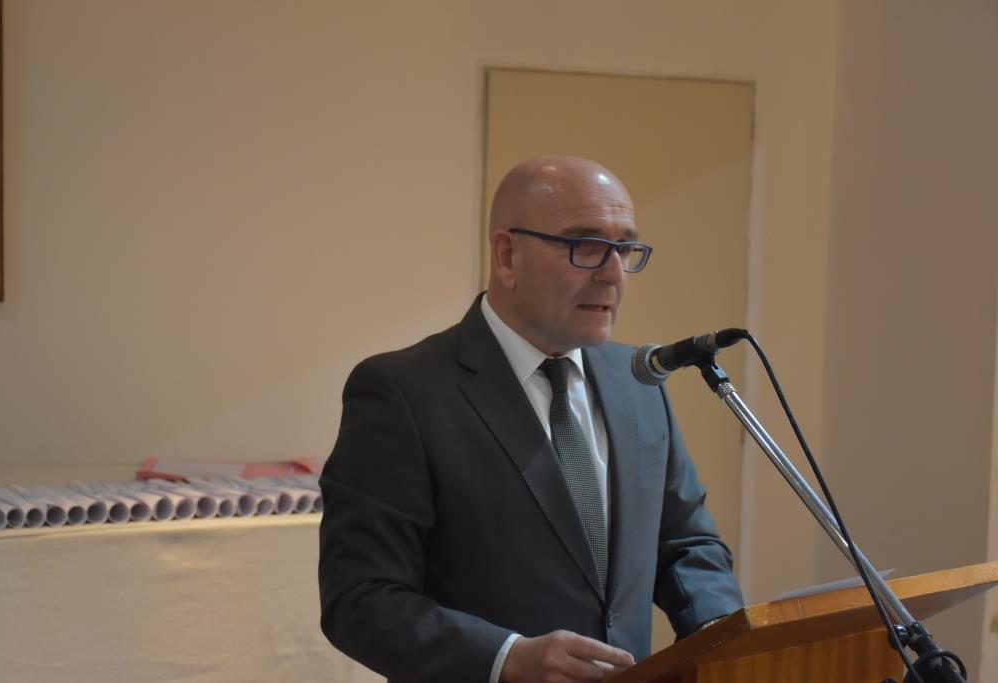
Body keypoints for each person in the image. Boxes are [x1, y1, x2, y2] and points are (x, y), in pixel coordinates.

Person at [318, 155, 743, 683]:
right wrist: (505, 658)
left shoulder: (640, 381)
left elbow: (685, 544)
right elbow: (358, 599)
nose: (613, 274)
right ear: (506, 255)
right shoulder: (402, 393)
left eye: (625, 248)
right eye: (585, 245)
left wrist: (720, 630)